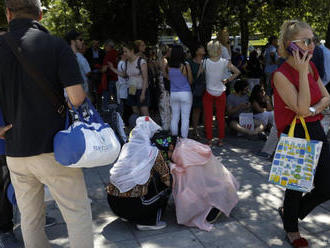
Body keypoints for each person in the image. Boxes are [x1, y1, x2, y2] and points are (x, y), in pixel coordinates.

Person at [0, 1, 94, 247]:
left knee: (30, 219)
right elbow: (76, 98)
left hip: (16, 149)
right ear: (40, 15)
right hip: (56, 147)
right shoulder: (56, 46)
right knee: (77, 214)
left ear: (8, 14)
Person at [273, 20, 330, 248]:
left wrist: (315, 109)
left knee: (327, 185)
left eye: (313, 40)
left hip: (316, 127)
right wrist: (303, 72)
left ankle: (292, 211)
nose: (312, 45)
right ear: (290, 45)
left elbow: (327, 97)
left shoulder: (312, 66)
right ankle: (291, 228)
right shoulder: (281, 74)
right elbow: (301, 109)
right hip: (295, 131)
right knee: (296, 185)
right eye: (305, 41)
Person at [107, 118, 173, 230]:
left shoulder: (126, 148)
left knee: (145, 178)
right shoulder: (152, 152)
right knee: (166, 187)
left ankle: (128, 216)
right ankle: (148, 222)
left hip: (113, 204)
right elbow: (167, 180)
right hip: (134, 206)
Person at [203, 40, 240, 146]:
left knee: (208, 117)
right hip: (221, 92)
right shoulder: (225, 62)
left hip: (208, 91)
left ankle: (209, 140)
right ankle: (220, 140)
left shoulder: (204, 62)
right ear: (219, 50)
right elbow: (237, 72)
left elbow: (200, 75)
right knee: (220, 117)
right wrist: (228, 80)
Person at [108, 42, 149, 116]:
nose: (124, 54)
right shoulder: (127, 62)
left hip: (141, 89)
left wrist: (143, 93)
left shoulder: (141, 61)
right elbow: (124, 75)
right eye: (123, 52)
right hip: (132, 88)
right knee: (135, 112)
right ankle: (138, 126)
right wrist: (112, 68)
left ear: (132, 51)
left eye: (126, 51)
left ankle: (149, 127)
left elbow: (145, 78)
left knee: (144, 112)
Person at [166, 45, 193, 138]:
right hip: (185, 93)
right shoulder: (185, 65)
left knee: (174, 117)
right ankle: (184, 140)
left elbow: (168, 78)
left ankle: (174, 139)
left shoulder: (168, 66)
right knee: (185, 118)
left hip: (173, 93)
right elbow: (190, 81)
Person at [187, 44, 206, 139]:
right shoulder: (189, 63)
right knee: (196, 110)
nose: (203, 49)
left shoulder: (207, 61)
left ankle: (206, 129)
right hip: (195, 89)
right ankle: (195, 130)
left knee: (206, 109)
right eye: (201, 47)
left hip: (207, 88)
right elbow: (190, 78)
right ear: (196, 51)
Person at [65, 30, 91, 94]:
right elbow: (88, 72)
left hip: (70, 97)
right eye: (80, 39)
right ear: (73, 41)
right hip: (80, 97)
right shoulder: (80, 57)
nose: (83, 41)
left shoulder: (64, 57)